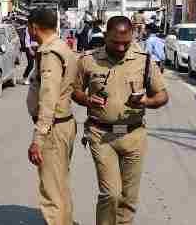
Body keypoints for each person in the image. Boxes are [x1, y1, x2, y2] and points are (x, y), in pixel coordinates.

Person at [71, 16, 169, 225]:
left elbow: (162, 96)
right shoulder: (88, 59)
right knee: (111, 193)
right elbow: (75, 91)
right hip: (101, 134)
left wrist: (146, 101)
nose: (121, 47)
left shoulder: (144, 60)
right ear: (106, 36)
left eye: (126, 42)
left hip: (134, 135)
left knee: (128, 199)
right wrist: (87, 100)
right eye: (116, 42)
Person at [25, 8, 79, 225]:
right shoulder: (62, 47)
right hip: (62, 124)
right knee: (59, 185)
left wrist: (38, 139)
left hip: (53, 128)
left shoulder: (50, 53)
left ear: (33, 27)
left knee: (51, 192)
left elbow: (49, 98)